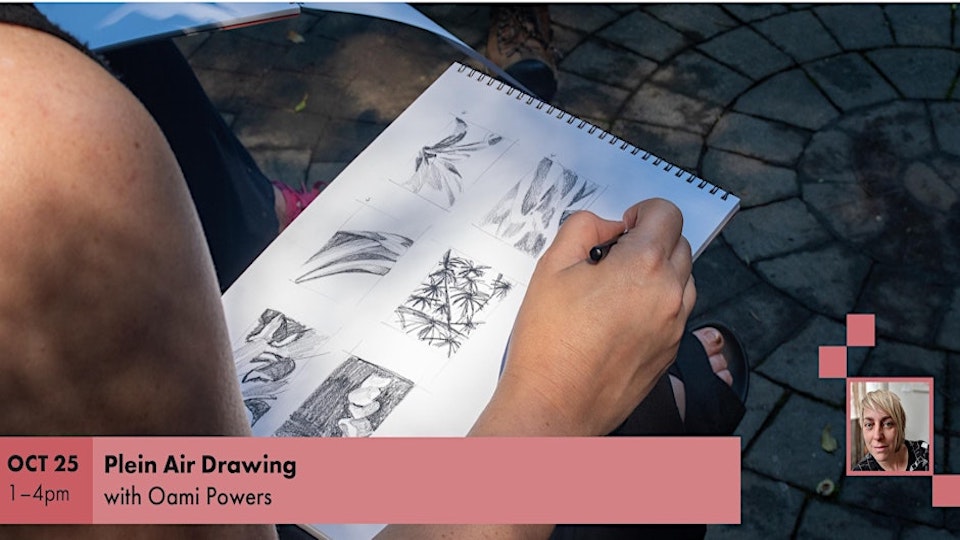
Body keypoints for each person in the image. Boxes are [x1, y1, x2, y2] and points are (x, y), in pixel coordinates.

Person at [0, 6, 747, 540]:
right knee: (664, 447)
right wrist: (552, 405)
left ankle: (270, 220)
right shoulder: (32, 128)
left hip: (169, 473)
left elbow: (91, 483)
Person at [852, 389, 929, 473]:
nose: (877, 436)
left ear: (900, 425)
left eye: (888, 424)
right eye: (869, 425)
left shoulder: (925, 453)